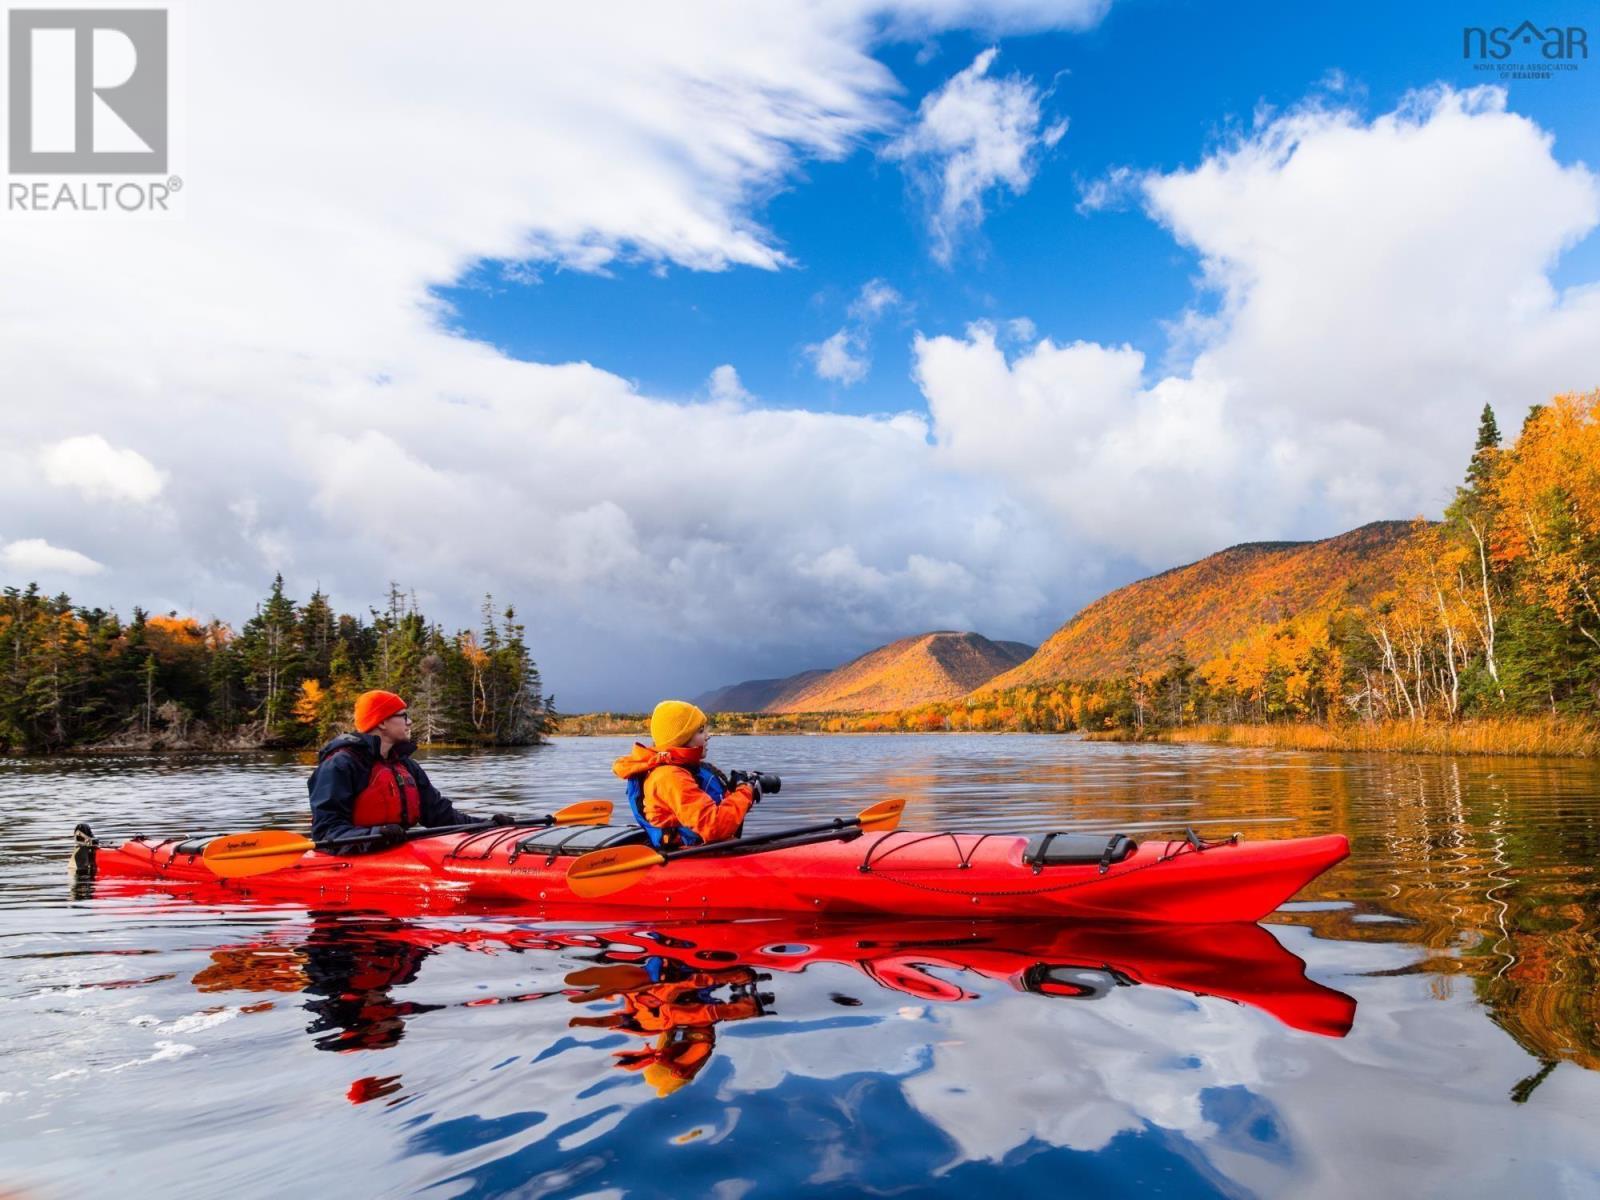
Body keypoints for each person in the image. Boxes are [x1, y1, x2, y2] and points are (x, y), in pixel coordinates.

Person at [308, 689, 509, 849]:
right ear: (382, 722)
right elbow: (327, 831)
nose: (410, 722)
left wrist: (488, 825)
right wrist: (375, 835)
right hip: (354, 858)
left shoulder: (406, 765)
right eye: (404, 716)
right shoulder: (340, 765)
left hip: (394, 850)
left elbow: (440, 816)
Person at [612, 700, 757, 847]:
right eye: (701, 731)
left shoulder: (680, 768)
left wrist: (737, 792)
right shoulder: (669, 776)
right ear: (682, 739)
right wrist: (747, 791)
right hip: (684, 853)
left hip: (698, 848)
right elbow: (714, 826)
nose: (707, 736)